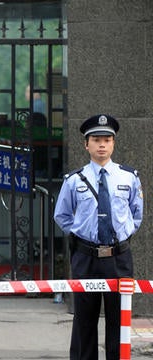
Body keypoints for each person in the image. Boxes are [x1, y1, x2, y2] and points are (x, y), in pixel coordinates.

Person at [54, 114, 143, 360]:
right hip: (86, 256)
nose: (101, 145)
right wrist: (81, 233)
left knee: (119, 318)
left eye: (107, 140)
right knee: (84, 319)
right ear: (86, 144)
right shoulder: (73, 180)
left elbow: (137, 215)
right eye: (96, 140)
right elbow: (61, 215)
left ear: (113, 144)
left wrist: (122, 234)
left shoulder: (129, 177)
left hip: (118, 258)